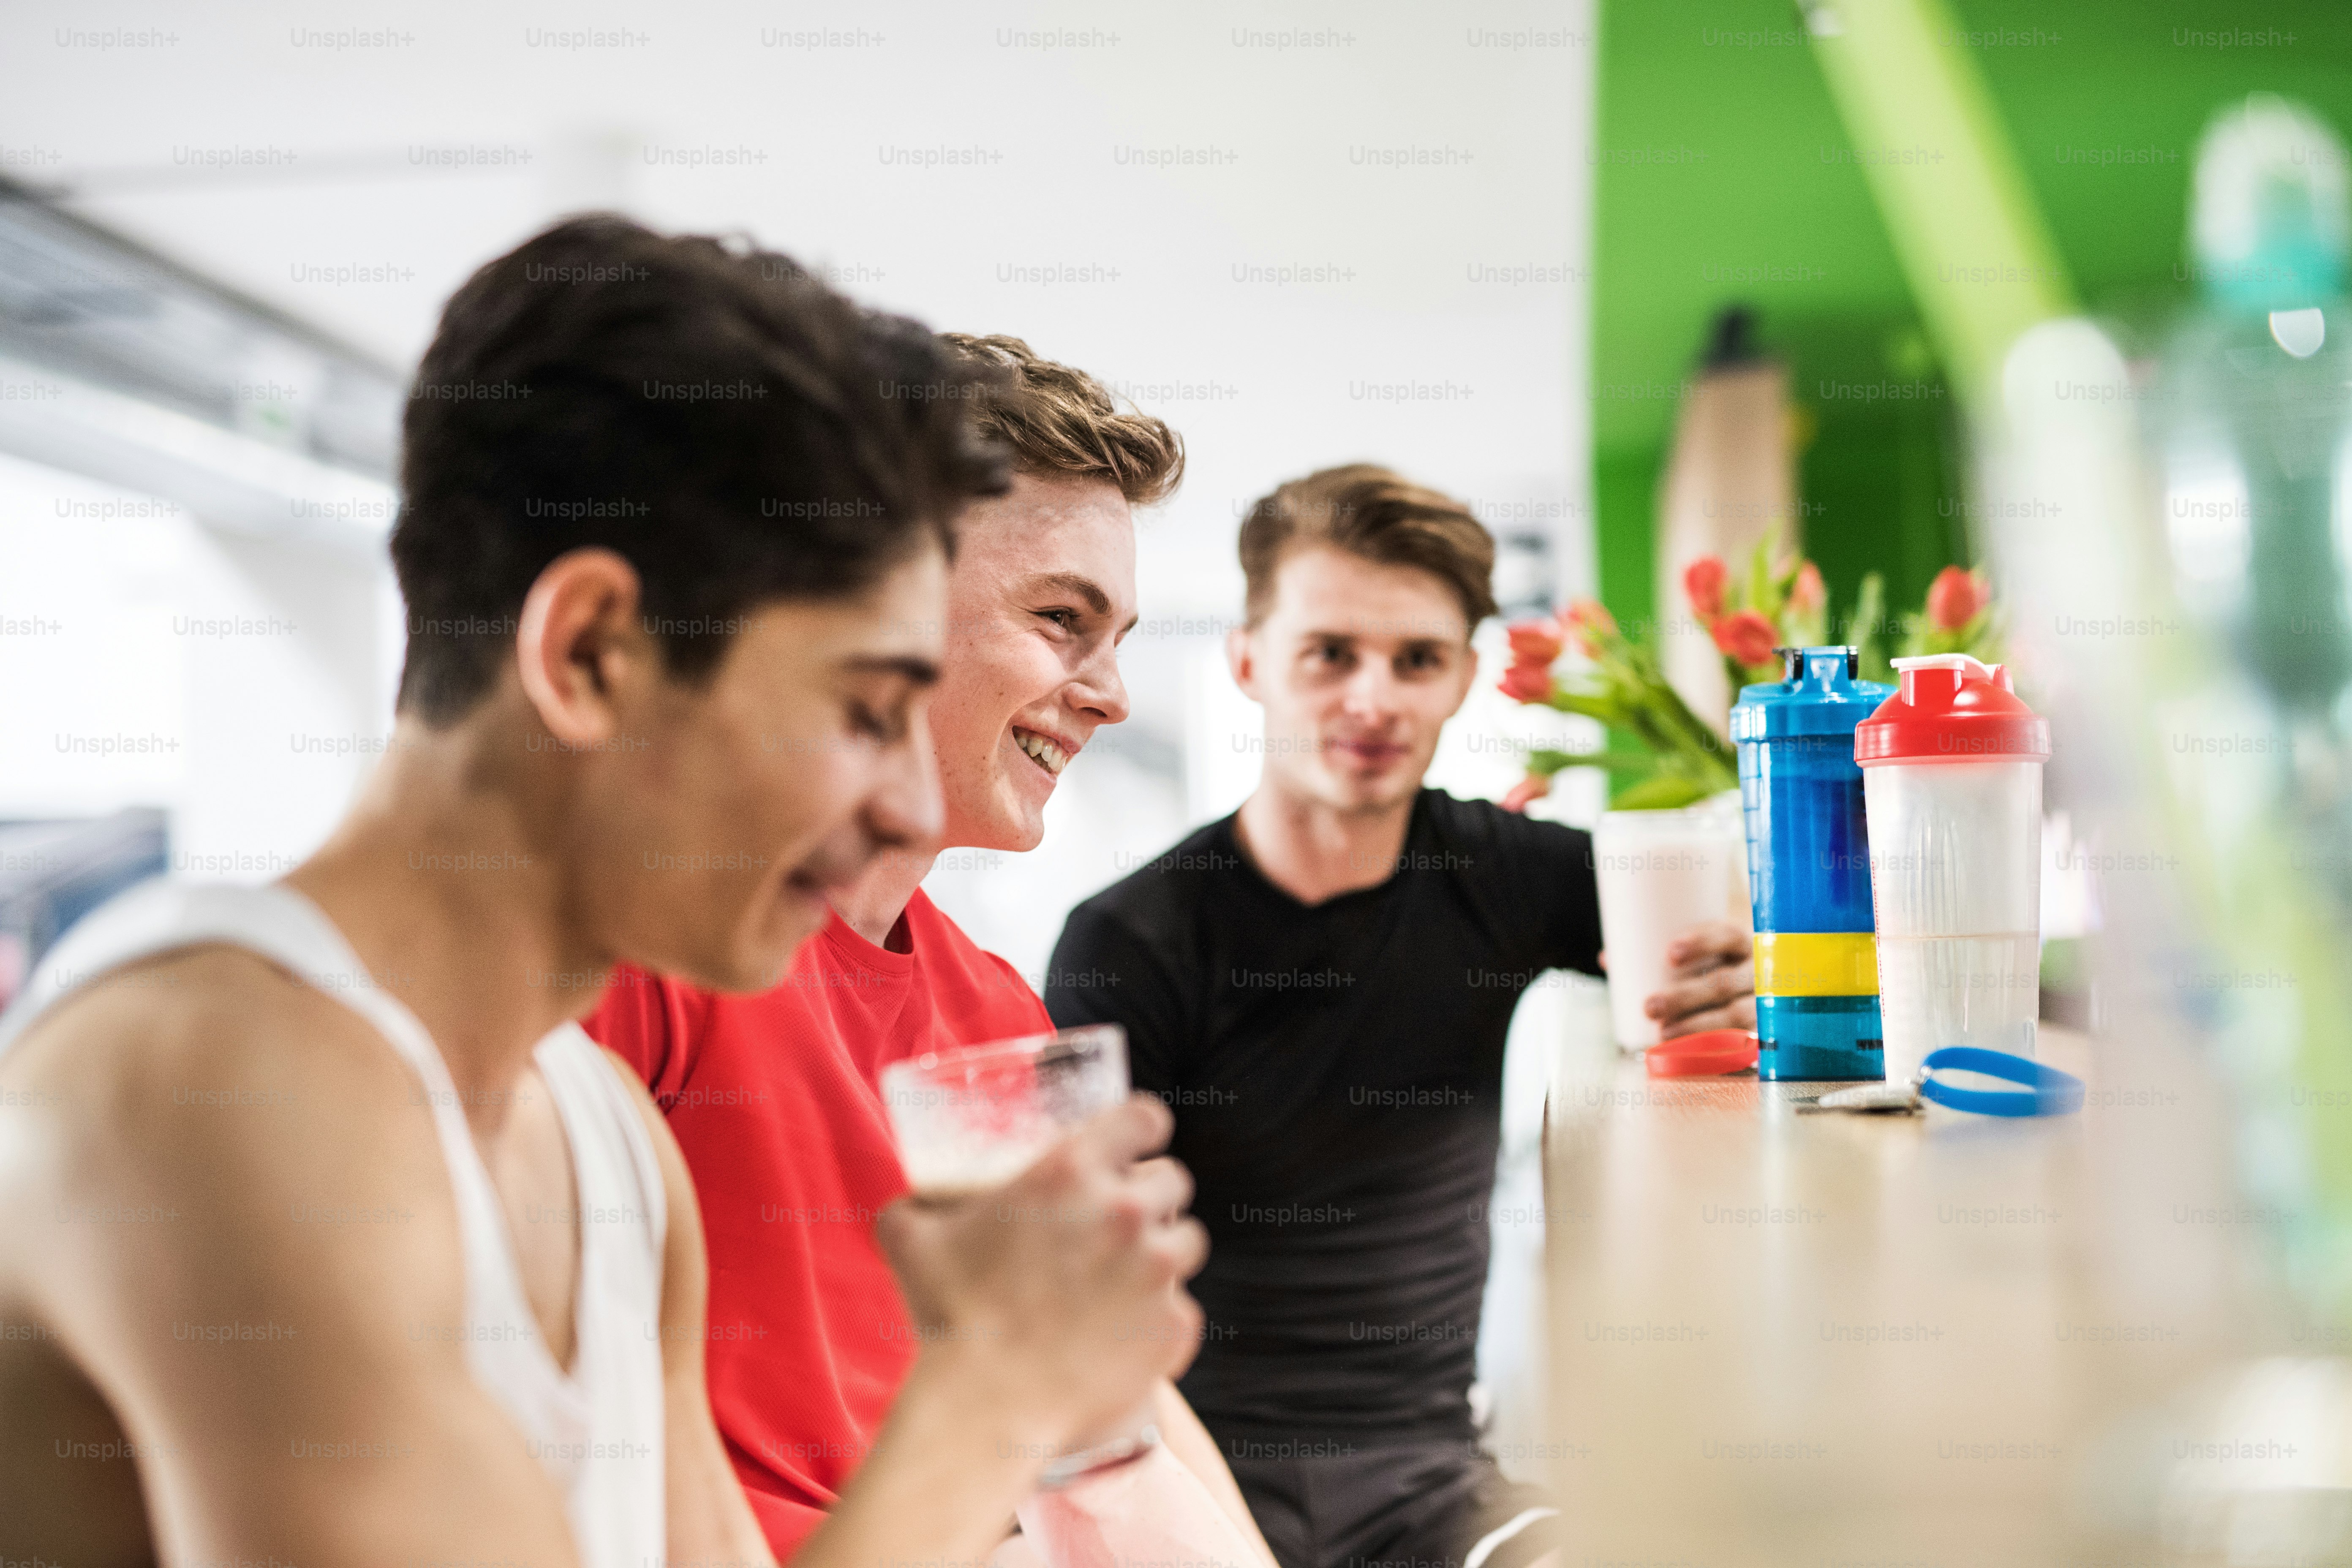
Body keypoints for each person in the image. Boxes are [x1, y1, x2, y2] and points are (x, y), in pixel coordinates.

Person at [0, 217, 1207, 1568]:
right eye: (862, 709)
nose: (911, 812)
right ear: (586, 657)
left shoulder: (604, 1141)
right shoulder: (208, 1079)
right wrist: (986, 1393)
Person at [583, 335, 1276, 1565]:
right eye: (1062, 620)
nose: (1111, 693)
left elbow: (1119, 1396)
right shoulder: (644, 956)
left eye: (1116, 637)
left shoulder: (999, 1013)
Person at [1044, 465, 1757, 1568]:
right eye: (1330, 654)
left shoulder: (1502, 872)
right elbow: (1073, 1297)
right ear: (1248, 664)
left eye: (1416, 660)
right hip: (1195, 1478)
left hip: (1433, 1480)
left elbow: (1713, 929)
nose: (1373, 700)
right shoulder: (1128, 943)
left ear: (1465, 677)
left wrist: (1744, 971)